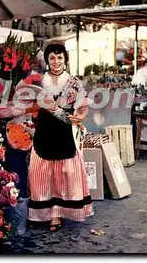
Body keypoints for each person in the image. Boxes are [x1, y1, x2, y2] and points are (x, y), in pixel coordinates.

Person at [28, 43, 92, 232]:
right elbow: (29, 105)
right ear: (47, 60)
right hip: (43, 132)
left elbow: (83, 106)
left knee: (65, 175)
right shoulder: (38, 81)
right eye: (52, 58)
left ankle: (57, 215)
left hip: (65, 132)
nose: (56, 62)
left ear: (65, 60)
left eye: (60, 58)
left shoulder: (74, 82)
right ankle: (43, 214)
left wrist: (80, 116)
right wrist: (40, 106)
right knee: (41, 174)